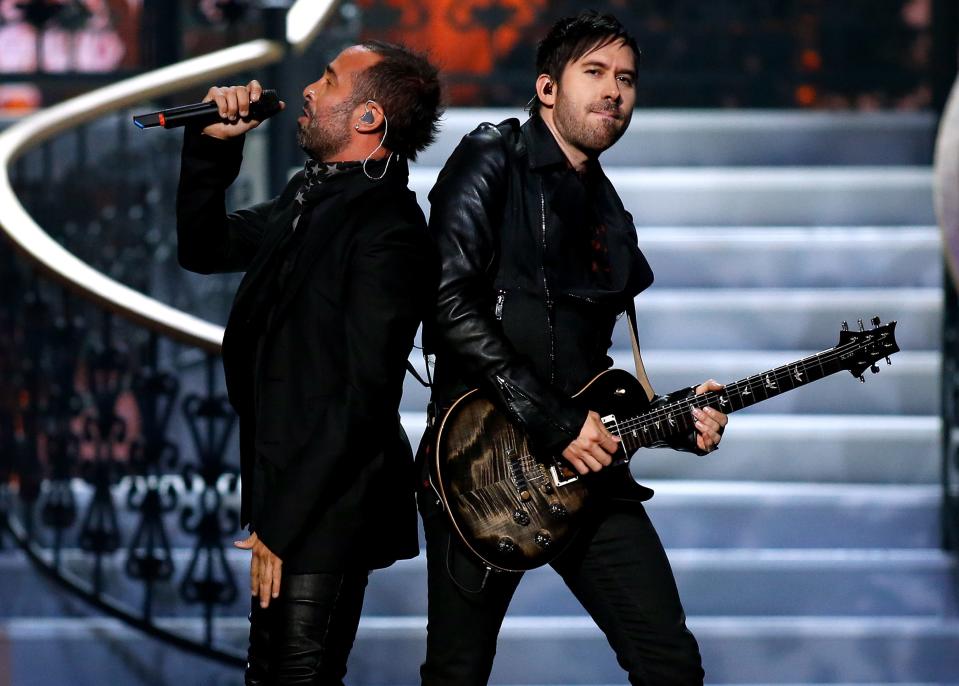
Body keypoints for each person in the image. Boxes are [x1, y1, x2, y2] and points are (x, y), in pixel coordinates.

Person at [417, 11, 728, 685]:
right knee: (456, 673)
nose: (613, 91)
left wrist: (675, 421)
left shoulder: (609, 211)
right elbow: (445, 303)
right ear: (547, 88)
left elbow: (595, 376)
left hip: (587, 472)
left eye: (625, 79)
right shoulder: (492, 156)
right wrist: (554, 422)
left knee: (669, 664)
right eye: (594, 73)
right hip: (480, 465)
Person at [175, 41, 442, 685]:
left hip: (329, 500)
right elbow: (204, 246)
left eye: (327, 81)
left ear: (368, 118)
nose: (308, 91)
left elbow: (362, 395)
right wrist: (213, 146)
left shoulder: (389, 229)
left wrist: (281, 524)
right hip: (288, 488)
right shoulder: (310, 195)